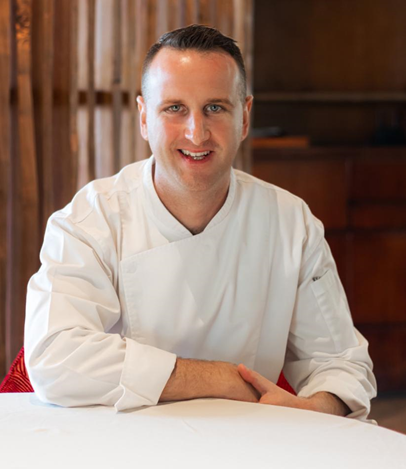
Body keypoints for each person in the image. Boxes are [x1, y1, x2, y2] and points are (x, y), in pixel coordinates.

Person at [24, 24, 376, 420]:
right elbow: (54, 357)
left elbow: (341, 363)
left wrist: (312, 407)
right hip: (124, 439)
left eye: (215, 108)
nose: (196, 133)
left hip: (249, 436)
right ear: (144, 118)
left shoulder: (290, 223)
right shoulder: (92, 220)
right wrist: (220, 380)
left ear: (244, 117)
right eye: (174, 108)